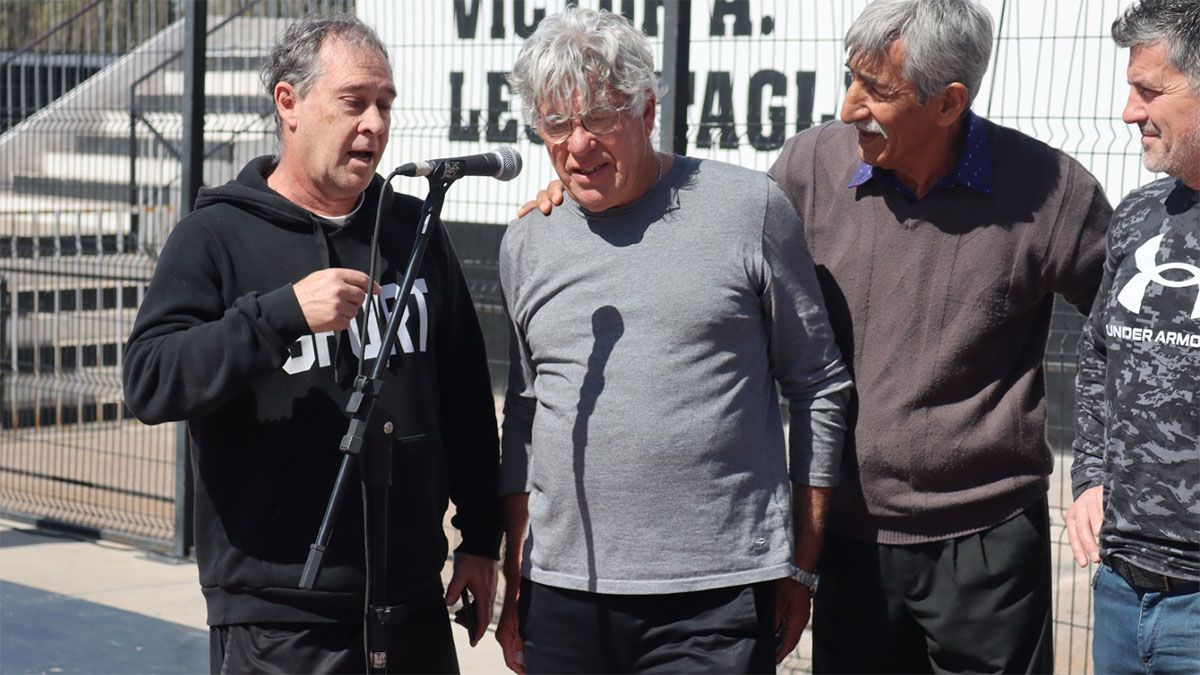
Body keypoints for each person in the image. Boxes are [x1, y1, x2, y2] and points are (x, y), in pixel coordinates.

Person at [521, 0, 1111, 671]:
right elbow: (702, 238)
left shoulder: (1051, 191)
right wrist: (576, 196)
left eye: (878, 90)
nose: (849, 107)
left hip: (987, 538)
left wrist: (1095, 462)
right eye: (850, 78)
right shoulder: (809, 169)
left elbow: (1129, 330)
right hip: (850, 541)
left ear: (948, 103)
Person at [122, 15, 501, 674]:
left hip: (410, 601)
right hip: (277, 614)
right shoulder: (215, 235)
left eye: (384, 104)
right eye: (354, 102)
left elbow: (465, 392)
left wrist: (480, 536)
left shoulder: (413, 230)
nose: (376, 124)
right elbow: (151, 379)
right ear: (289, 103)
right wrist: (278, 316)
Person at [496, 7, 852, 674]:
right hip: (566, 592)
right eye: (556, 124)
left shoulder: (749, 210)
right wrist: (520, 570)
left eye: (599, 118)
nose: (576, 146)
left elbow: (817, 383)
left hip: (713, 601)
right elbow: (524, 409)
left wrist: (801, 562)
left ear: (647, 107)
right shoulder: (527, 241)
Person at [1067, 1, 1200, 672]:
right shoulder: (1141, 214)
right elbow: (1095, 359)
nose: (1127, 112)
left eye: (1148, 91)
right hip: (1120, 587)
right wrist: (1088, 475)